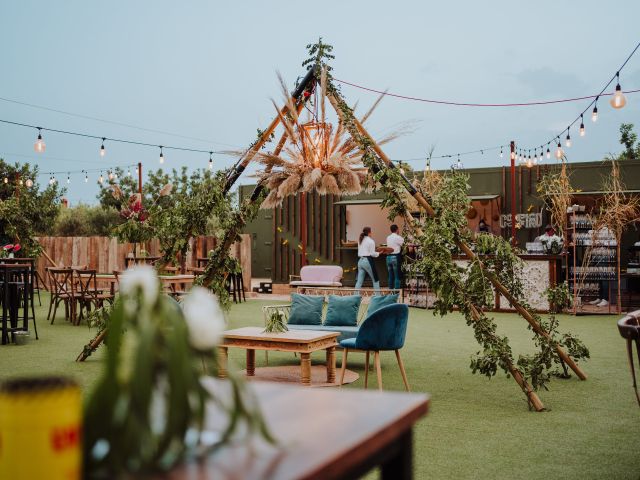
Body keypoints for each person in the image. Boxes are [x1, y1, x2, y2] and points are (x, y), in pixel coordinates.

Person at [355, 226, 380, 291]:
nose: (371, 233)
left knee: (359, 282)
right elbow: (372, 254)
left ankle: (354, 297)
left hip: (360, 261)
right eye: (371, 232)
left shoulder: (360, 240)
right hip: (367, 261)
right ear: (369, 232)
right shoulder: (371, 241)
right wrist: (379, 253)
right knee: (375, 280)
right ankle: (378, 298)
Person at [386, 224, 404, 290]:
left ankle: (391, 291)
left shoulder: (388, 237)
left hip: (388, 258)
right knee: (397, 276)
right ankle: (396, 293)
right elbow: (404, 244)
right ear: (397, 229)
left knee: (390, 276)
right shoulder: (398, 237)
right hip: (395, 257)